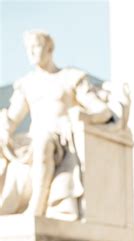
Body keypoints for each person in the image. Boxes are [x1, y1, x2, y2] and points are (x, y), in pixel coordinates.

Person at [0, 30, 119, 218]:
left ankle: (36, 208)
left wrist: (83, 116)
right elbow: (12, 118)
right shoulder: (27, 84)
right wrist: (4, 129)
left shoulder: (70, 78)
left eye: (36, 46)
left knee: (43, 142)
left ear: (49, 48)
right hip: (31, 140)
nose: (31, 52)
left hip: (60, 139)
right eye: (28, 48)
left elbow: (102, 111)